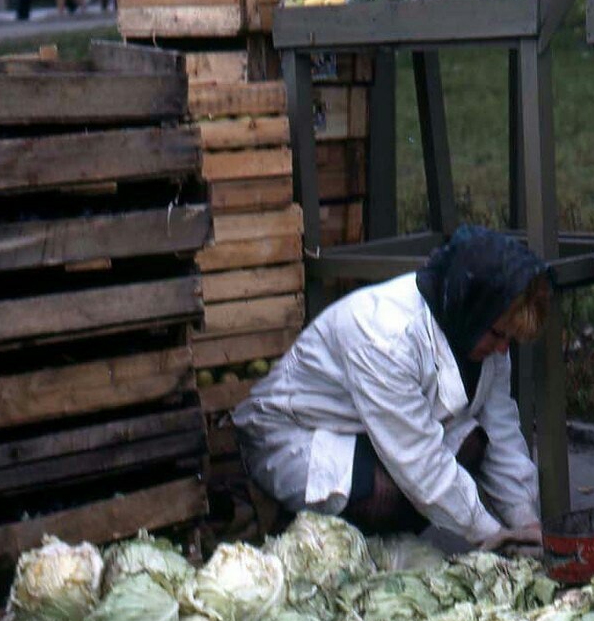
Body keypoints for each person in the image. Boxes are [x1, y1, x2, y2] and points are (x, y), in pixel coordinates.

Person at [233, 226, 551, 550]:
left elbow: (501, 432)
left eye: (509, 339)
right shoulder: (383, 335)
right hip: (296, 435)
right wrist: (491, 535)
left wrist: (525, 521)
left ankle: (385, 540)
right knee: (386, 495)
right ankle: (321, 538)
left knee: (474, 441)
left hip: (374, 434)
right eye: (498, 335)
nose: (502, 349)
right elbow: (418, 460)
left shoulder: (483, 333)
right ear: (470, 309)